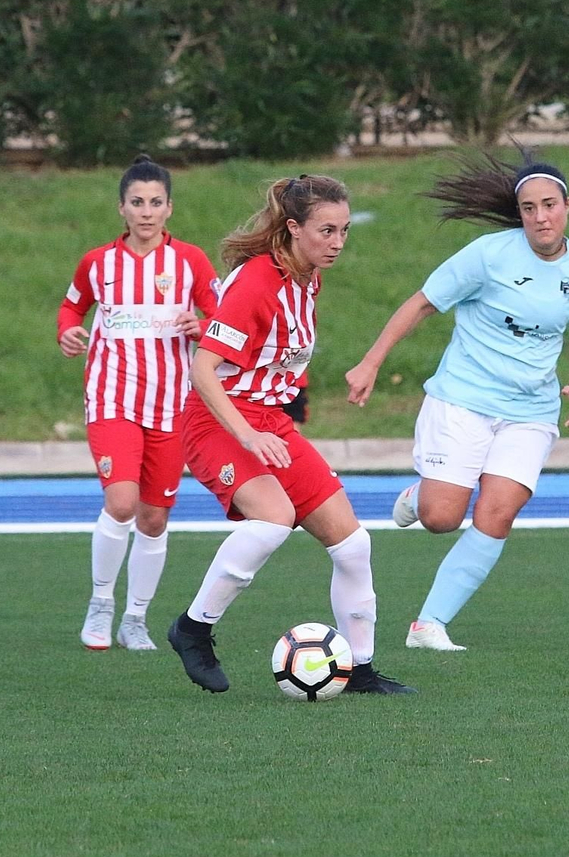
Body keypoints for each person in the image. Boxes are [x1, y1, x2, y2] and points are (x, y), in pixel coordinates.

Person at [165, 174, 414, 695]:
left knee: (352, 543)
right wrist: (250, 437)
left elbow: (280, 354)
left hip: (269, 421)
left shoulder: (308, 276)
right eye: (327, 230)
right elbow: (204, 370)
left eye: (344, 231)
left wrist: (287, 403)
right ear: (295, 228)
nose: (338, 242)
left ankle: (360, 671)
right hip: (217, 421)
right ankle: (193, 629)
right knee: (274, 518)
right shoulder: (257, 282)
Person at [345, 152, 569, 651]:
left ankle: (429, 625)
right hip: (463, 399)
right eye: (529, 208)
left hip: (530, 412)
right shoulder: (488, 254)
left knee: (498, 513)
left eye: (549, 205)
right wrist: (372, 361)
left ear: (567, 206)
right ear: (520, 213)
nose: (540, 217)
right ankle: (418, 497)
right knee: (442, 517)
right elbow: (422, 302)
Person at [58, 154, 219, 651]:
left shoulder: (190, 261)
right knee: (121, 502)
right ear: (121, 209)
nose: (146, 212)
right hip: (113, 398)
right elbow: (71, 304)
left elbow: (220, 317)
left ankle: (136, 618)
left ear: (169, 208)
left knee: (154, 517)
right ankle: (101, 603)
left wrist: (203, 326)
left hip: (173, 404)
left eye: (155, 202)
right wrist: (69, 331)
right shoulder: (98, 263)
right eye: (136, 202)